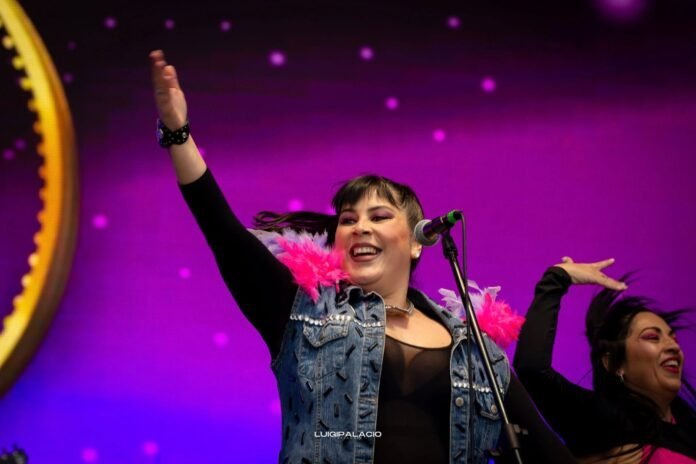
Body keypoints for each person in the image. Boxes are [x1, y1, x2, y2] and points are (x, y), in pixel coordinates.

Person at [149, 49, 576, 464]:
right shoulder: (303, 313)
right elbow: (224, 233)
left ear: (417, 242)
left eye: (380, 216)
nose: (360, 227)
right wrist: (178, 134)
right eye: (348, 220)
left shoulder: (477, 353)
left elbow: (546, 451)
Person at [514, 257, 696, 463]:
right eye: (652, 337)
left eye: (674, 339)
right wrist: (557, 278)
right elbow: (532, 369)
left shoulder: (689, 426)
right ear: (613, 363)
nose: (674, 347)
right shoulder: (605, 420)